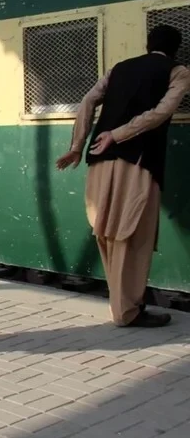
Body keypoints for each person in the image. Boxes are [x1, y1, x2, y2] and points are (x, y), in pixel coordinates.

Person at [56, 24, 190, 328]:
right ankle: (127, 311)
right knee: (135, 234)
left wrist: (78, 146)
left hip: (99, 159)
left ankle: (122, 304)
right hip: (138, 162)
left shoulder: (119, 68)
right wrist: (117, 135)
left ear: (147, 44)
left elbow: (88, 101)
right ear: (176, 48)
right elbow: (160, 113)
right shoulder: (179, 71)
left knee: (107, 232)